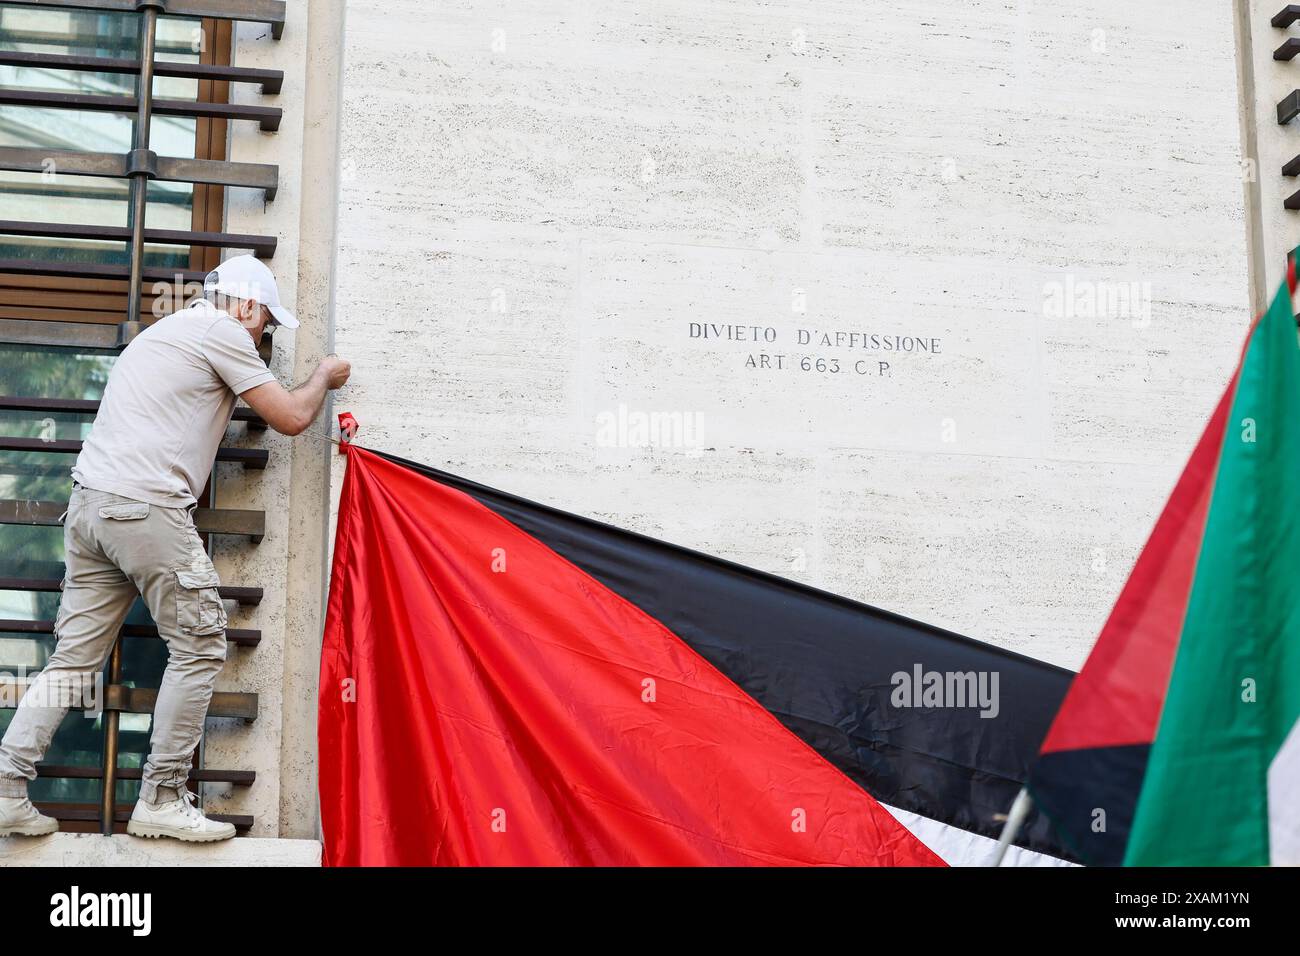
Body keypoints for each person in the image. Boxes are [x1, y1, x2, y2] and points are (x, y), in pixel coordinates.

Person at [0, 255, 350, 842]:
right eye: (266, 321)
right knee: (202, 644)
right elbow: (290, 417)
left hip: (90, 506)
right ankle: (161, 796)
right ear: (245, 305)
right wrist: (322, 377)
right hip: (145, 507)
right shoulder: (223, 330)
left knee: (73, 661)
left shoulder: (165, 331)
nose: (264, 336)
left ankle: (7, 786)